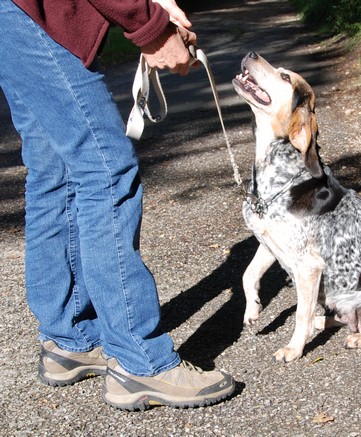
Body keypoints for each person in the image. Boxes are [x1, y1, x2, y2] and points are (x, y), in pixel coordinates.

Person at [0, 0, 235, 411]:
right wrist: (150, 27)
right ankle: (140, 362)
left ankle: (69, 338)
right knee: (104, 168)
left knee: (54, 166)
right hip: (29, 13)